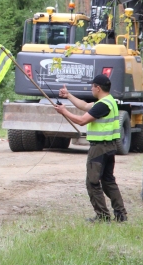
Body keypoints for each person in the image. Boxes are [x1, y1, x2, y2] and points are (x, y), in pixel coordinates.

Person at [54, 74, 128, 222]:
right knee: (108, 181)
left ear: (98, 88)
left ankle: (102, 216)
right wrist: (68, 95)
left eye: (92, 86)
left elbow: (82, 121)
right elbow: (84, 106)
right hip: (110, 146)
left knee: (92, 182)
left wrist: (64, 112)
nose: (91, 89)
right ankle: (120, 215)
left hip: (99, 148)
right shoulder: (109, 101)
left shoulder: (102, 105)